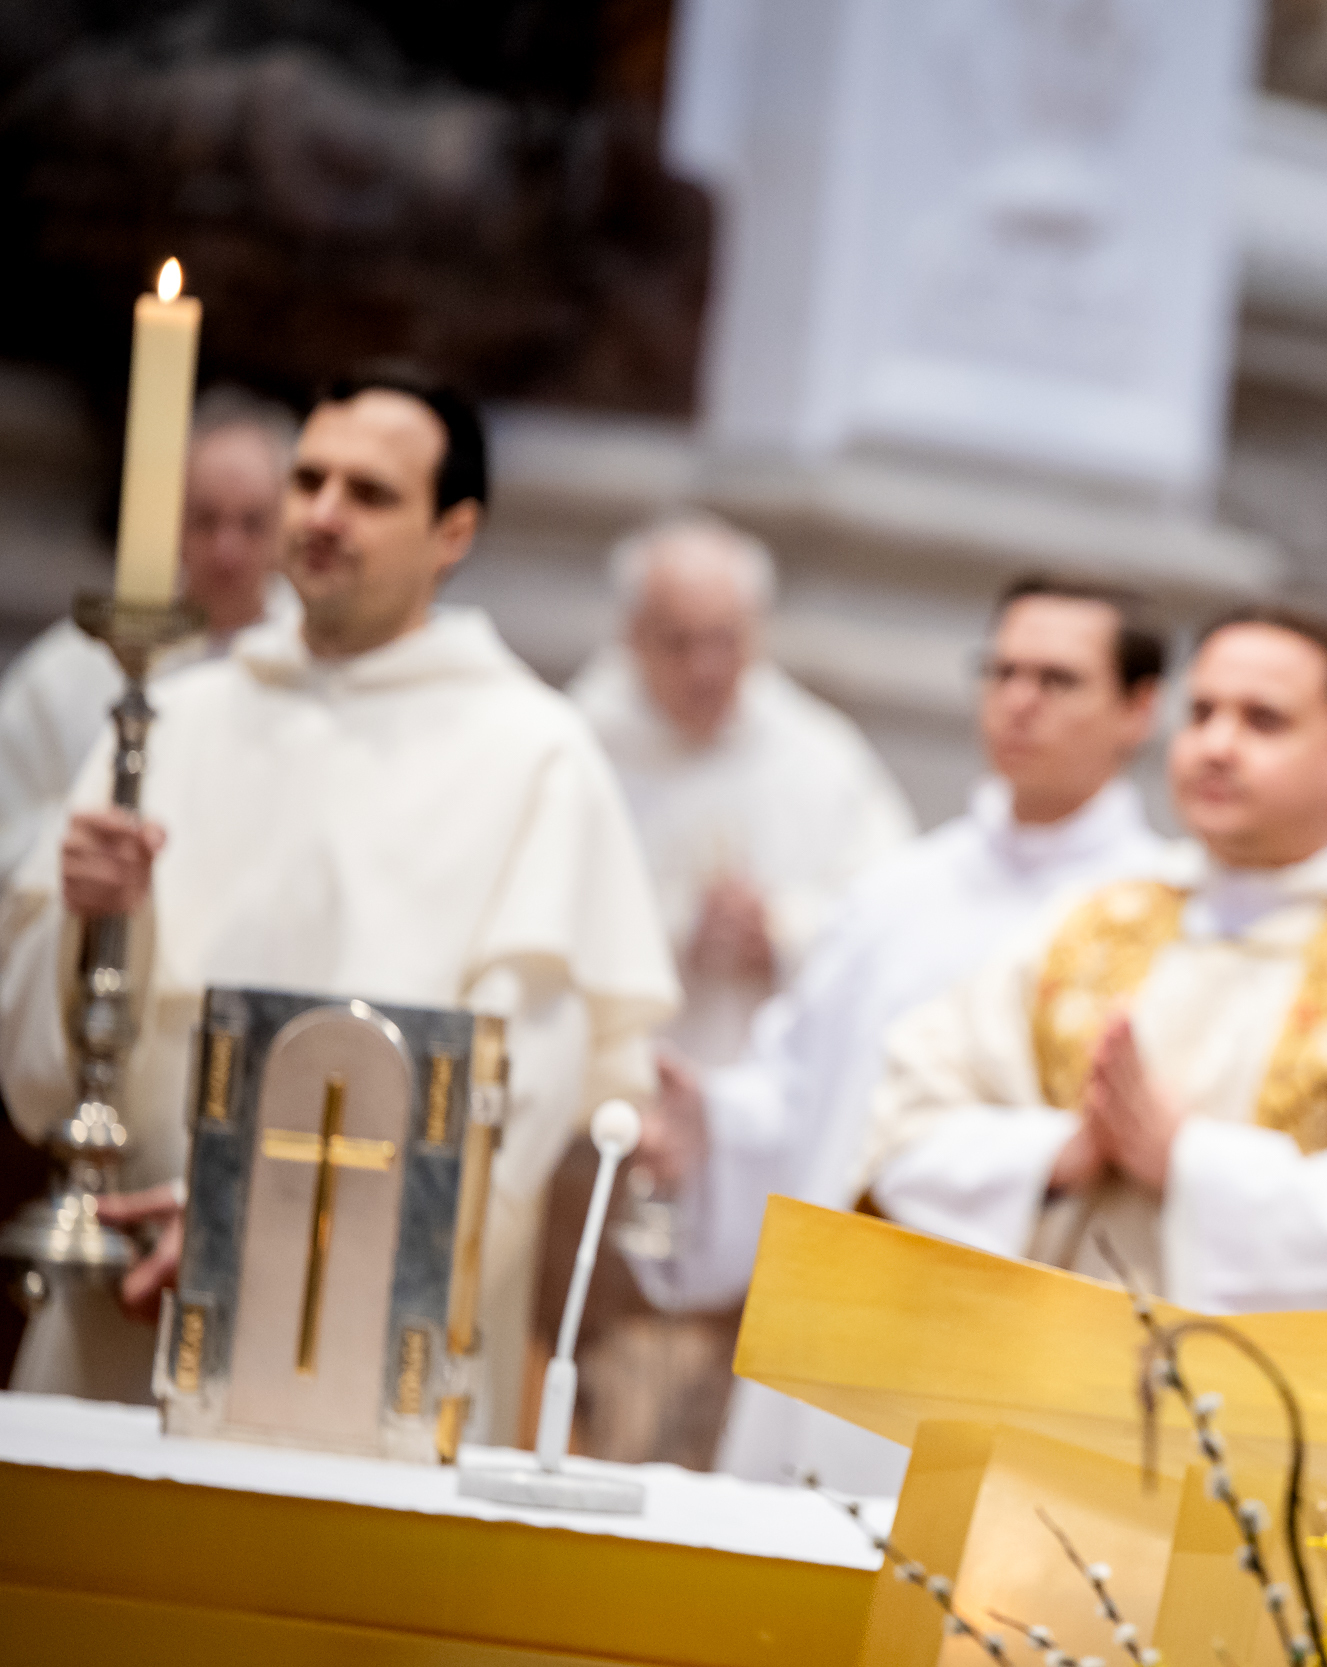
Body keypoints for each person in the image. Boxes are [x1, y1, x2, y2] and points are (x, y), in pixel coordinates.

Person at [0, 372, 677, 1442]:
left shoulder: (532, 756)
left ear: (453, 532)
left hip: (364, 1340)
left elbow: (515, 1104)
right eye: (308, 479)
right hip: (129, 1292)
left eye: (369, 493)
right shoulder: (172, 717)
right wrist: (90, 920)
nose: (320, 513)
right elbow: (43, 1072)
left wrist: (257, 1233)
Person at [623, 573, 1168, 1488]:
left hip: (1017, 1348)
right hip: (836, 1330)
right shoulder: (898, 892)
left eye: (1058, 680)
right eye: (1002, 671)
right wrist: (707, 1122)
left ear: (1138, 708)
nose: (1019, 700)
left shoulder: (1152, 918)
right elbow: (799, 1094)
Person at [857, 605, 1327, 1312]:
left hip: (1265, 1378)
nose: (1216, 745)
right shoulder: (1093, 922)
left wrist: (1189, 1161)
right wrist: (1055, 1156)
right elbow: (903, 1124)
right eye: (1201, 713)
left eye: (1263, 720)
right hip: (1035, 1361)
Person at [571, 512, 915, 1066]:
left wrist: (780, 932)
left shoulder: (820, 756)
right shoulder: (580, 749)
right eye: (678, 642)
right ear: (632, 635)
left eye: (724, 640)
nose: (704, 668)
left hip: (764, 1082)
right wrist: (679, 928)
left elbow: (890, 912)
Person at [0, 389, 298, 880]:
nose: (227, 550)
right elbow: (11, 825)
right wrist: (81, 851)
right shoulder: (82, 662)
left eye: (252, 523)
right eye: (205, 520)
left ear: (288, 524)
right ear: (170, 519)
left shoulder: (317, 662)